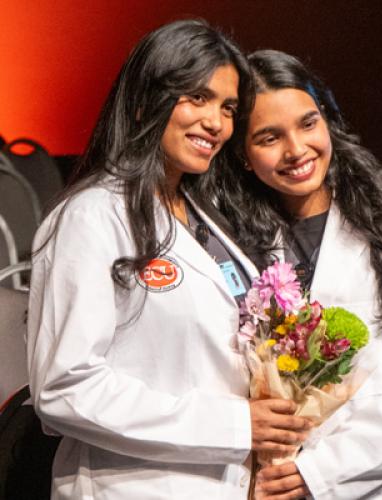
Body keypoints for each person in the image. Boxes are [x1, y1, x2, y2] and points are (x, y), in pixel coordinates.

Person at [27, 24, 311, 500]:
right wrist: (234, 427)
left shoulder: (211, 219)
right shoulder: (91, 217)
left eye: (227, 108)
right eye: (197, 98)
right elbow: (64, 388)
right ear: (146, 99)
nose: (216, 123)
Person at [203, 49, 382, 499]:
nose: (297, 150)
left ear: (328, 121)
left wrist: (322, 472)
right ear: (241, 155)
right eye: (270, 137)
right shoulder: (234, 248)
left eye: (308, 123)